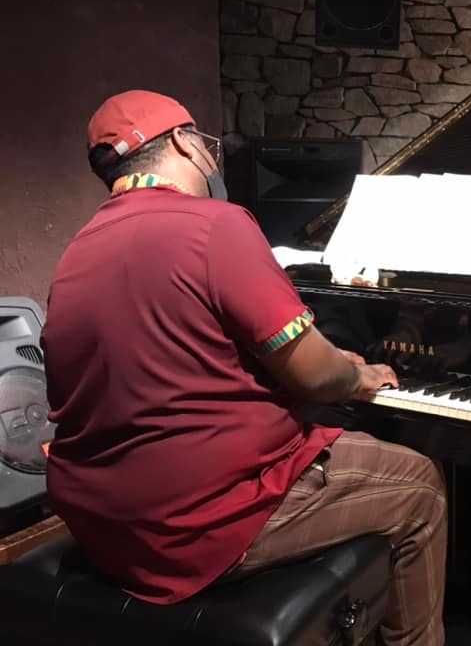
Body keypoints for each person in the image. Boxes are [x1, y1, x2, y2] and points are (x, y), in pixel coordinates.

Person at [41, 90, 447, 646]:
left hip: (105, 523)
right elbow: (314, 376)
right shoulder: (215, 225)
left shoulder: (77, 251)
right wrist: (359, 375)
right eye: (207, 145)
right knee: (421, 486)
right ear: (183, 142)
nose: (212, 159)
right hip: (196, 524)